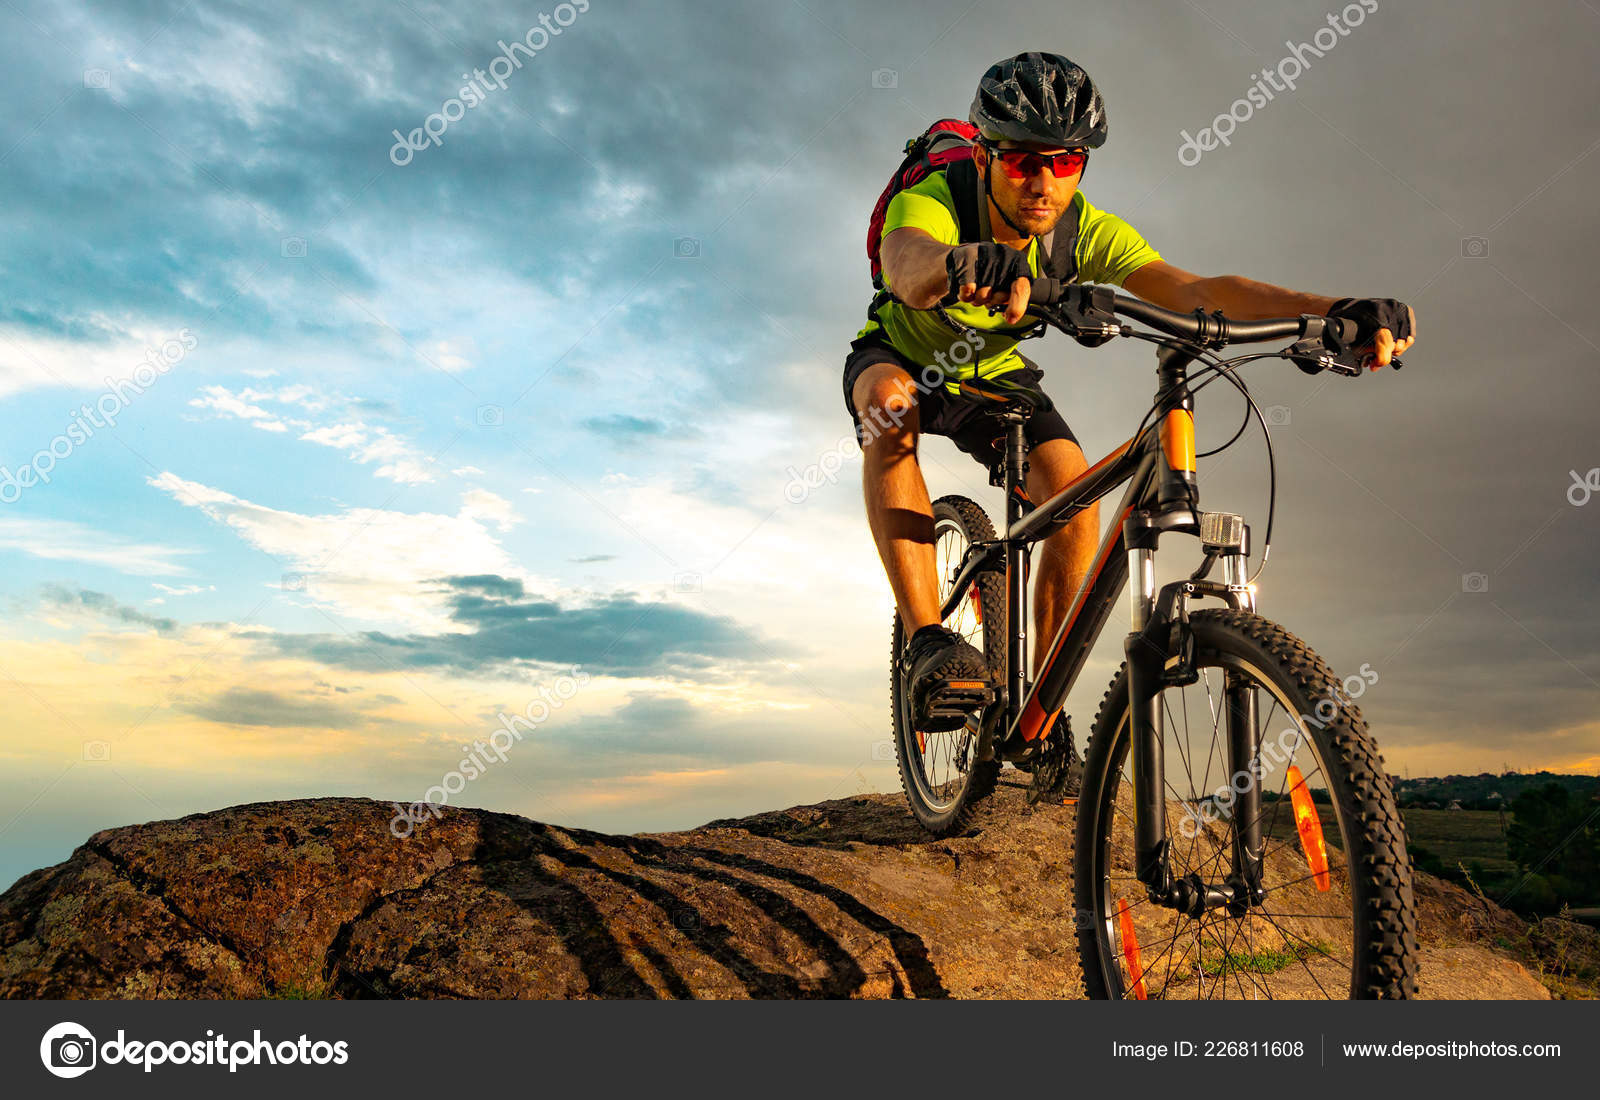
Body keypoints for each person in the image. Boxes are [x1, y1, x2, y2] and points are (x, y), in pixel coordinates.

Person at [846, 51, 1415, 747]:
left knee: (1074, 505)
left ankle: (1040, 710)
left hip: (993, 373)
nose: (1043, 183)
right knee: (889, 408)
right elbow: (906, 262)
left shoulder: (1082, 230)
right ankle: (930, 642)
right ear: (988, 153)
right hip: (906, 355)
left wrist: (1337, 308)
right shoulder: (937, 194)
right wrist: (959, 262)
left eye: (1065, 162)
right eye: (1023, 161)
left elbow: (1199, 290)